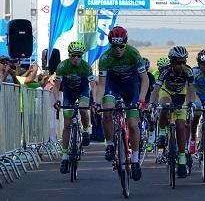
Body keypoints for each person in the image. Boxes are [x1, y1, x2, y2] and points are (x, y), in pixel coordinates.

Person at [95, 26, 149, 181]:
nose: (117, 50)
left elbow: (144, 79)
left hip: (131, 87)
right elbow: (101, 85)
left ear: (126, 43)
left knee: (132, 124)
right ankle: (110, 144)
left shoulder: (133, 54)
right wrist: (97, 103)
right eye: (114, 46)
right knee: (107, 112)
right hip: (113, 86)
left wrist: (142, 99)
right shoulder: (105, 58)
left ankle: (136, 160)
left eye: (121, 46)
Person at [52, 41, 96, 174]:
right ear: (69, 55)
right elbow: (56, 86)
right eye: (73, 56)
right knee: (67, 124)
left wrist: (94, 100)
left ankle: (86, 129)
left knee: (83, 109)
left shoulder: (86, 67)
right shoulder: (62, 66)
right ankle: (65, 157)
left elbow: (93, 85)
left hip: (82, 90)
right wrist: (56, 100)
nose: (76, 58)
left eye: (79, 56)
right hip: (69, 93)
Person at [152, 46, 195, 178]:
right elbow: (156, 89)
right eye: (178, 62)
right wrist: (153, 103)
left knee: (181, 126)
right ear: (171, 61)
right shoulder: (165, 71)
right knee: (164, 105)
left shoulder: (188, 71)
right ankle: (163, 132)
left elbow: (191, 89)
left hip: (181, 95)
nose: (181, 65)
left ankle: (182, 159)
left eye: (183, 61)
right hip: (167, 92)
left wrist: (191, 103)